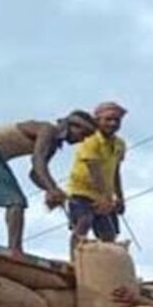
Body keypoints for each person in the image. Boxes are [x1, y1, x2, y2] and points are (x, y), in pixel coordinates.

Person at [0, 112, 97, 254]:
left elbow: (34, 175)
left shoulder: (51, 145)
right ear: (72, 126)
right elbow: (38, 162)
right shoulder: (48, 130)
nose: (82, 140)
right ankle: (15, 250)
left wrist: (53, 191)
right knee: (16, 202)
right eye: (83, 134)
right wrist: (52, 188)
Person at [66, 101, 128, 250]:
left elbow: (115, 172)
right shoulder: (90, 139)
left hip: (105, 194)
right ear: (97, 120)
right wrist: (106, 198)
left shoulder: (120, 144)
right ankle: (75, 261)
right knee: (84, 221)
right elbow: (94, 170)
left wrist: (119, 198)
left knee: (109, 233)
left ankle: (107, 264)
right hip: (81, 191)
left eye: (116, 120)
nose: (113, 123)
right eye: (108, 119)